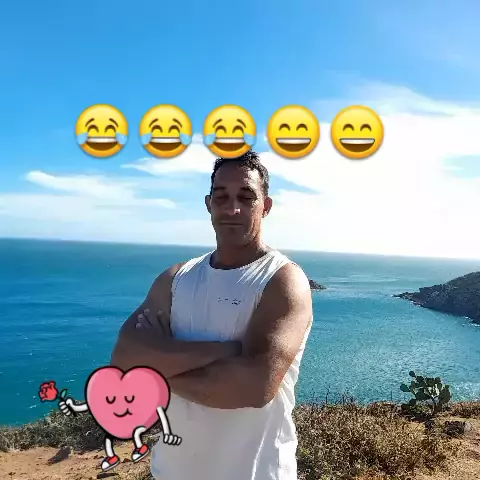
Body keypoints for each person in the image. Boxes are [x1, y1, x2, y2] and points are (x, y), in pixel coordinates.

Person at [111, 149, 313, 480]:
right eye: (221, 197)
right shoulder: (176, 279)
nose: (232, 208)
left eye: (246, 197)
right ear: (208, 204)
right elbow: (122, 362)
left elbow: (254, 386)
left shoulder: (283, 281)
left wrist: (156, 372)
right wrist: (225, 351)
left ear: (266, 206)